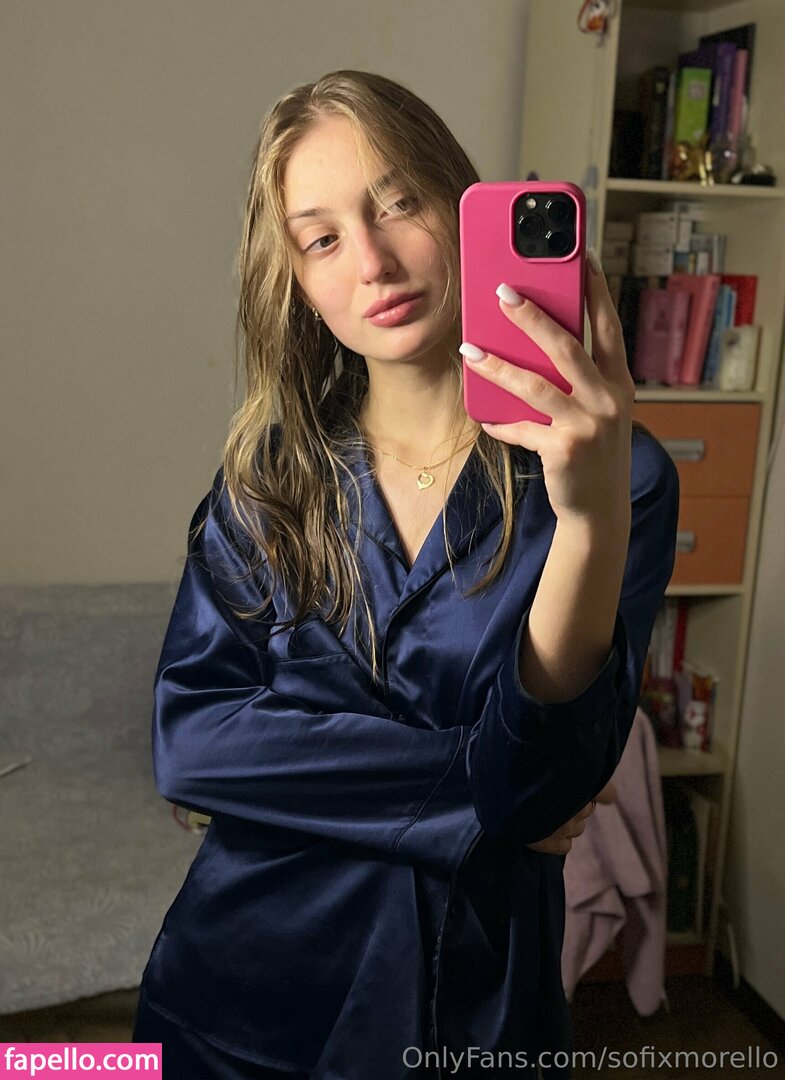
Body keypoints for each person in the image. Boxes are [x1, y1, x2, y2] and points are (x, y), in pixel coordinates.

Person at [132, 70, 679, 1080]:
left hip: (465, 1011)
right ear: (295, 283)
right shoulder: (267, 480)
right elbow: (193, 740)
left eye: (396, 204)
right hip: (236, 999)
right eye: (322, 239)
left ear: (463, 208)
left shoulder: (622, 478)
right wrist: (479, 792)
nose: (373, 262)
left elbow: (547, 776)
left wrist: (587, 518)